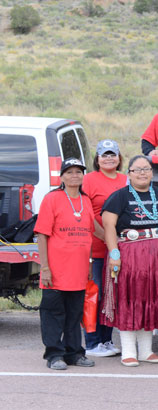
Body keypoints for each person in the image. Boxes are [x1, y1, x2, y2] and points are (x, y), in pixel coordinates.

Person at [101, 155, 158, 367]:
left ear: (152, 172)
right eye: (137, 170)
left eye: (146, 169)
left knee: (151, 301)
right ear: (129, 174)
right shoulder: (119, 197)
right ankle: (128, 351)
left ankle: (146, 351)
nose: (143, 173)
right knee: (131, 300)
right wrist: (114, 254)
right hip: (131, 255)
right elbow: (109, 226)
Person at [36, 158, 96, 370]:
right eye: (69, 172)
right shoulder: (52, 199)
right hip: (55, 270)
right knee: (53, 314)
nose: (74, 175)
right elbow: (42, 235)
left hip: (78, 270)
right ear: (61, 177)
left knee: (74, 314)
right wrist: (44, 267)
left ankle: (74, 353)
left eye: (78, 172)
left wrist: (89, 262)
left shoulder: (86, 201)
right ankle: (54, 355)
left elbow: (90, 233)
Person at [80, 140, 127, 357]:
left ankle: (107, 340)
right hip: (96, 250)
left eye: (113, 154)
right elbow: (87, 215)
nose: (109, 158)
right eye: (104, 155)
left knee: (112, 296)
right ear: (97, 159)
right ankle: (91, 343)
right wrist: (108, 239)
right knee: (95, 295)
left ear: (119, 158)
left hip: (120, 250)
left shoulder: (126, 180)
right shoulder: (89, 180)